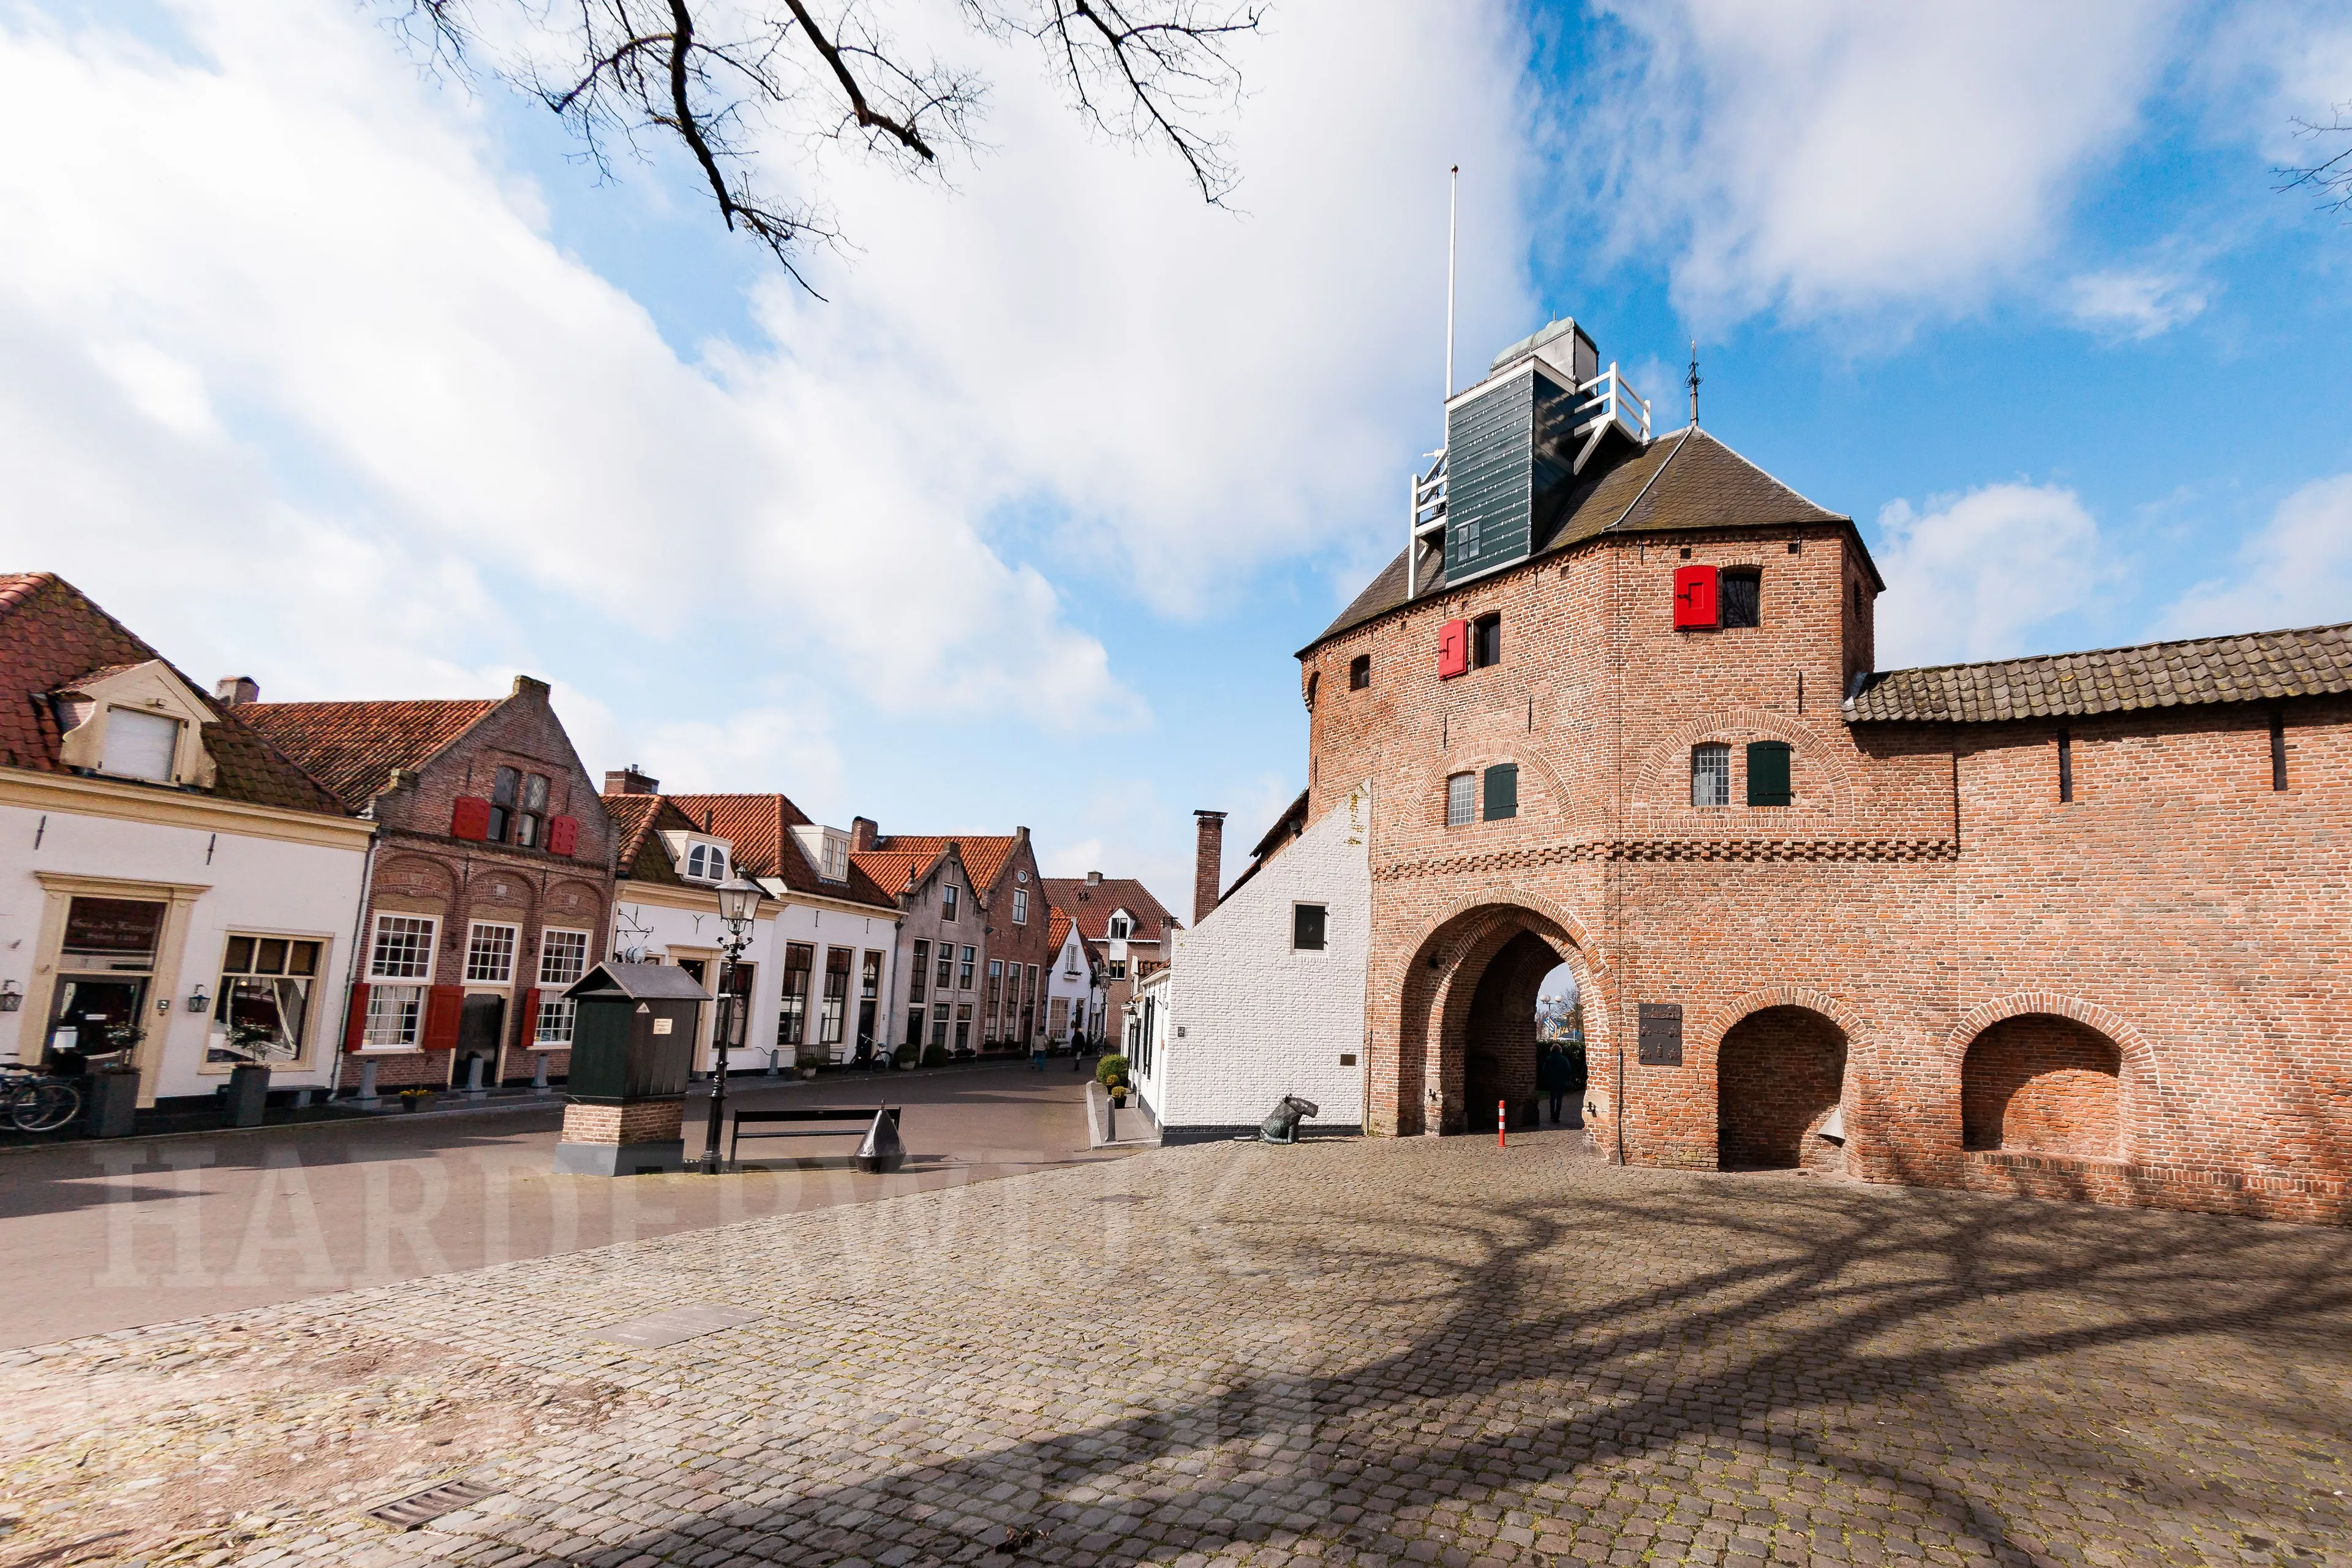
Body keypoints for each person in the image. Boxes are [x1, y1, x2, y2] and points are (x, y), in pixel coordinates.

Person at [1539, 1044, 1575, 1125]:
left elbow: (1544, 1070)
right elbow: (1568, 1070)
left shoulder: (1549, 1059)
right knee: (1559, 1099)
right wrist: (1567, 1078)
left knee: (1552, 1098)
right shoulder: (1564, 1059)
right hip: (1561, 1081)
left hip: (1552, 1081)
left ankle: (1552, 1115)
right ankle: (1557, 1116)